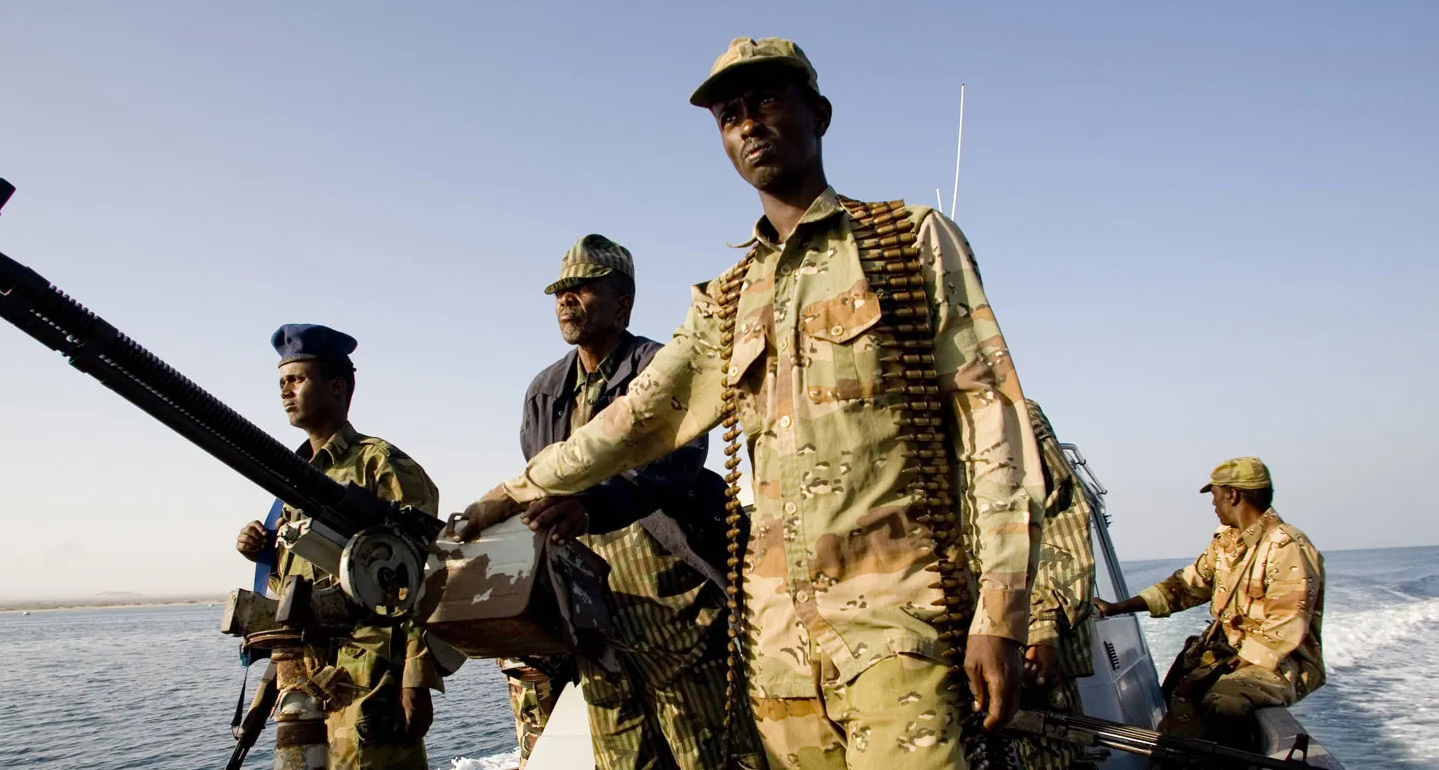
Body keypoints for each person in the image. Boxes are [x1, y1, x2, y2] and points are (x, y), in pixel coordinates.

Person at [455, 37, 1045, 770]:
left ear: (818, 114)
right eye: (730, 114)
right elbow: (633, 420)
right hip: (779, 656)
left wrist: (1002, 611)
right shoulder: (726, 300)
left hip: (901, 628)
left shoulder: (908, 242)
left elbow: (992, 423)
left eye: (767, 101)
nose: (748, 124)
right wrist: (505, 496)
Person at [503, 233, 738, 770]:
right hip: (595, 610)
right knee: (622, 757)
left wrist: (591, 504)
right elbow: (540, 479)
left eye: (583, 289)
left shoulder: (660, 365)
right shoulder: (544, 390)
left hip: (672, 599)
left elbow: (677, 461)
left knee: (707, 752)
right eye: (561, 292)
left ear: (623, 302)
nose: (566, 300)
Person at [235, 324, 444, 770]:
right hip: (303, 672)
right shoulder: (292, 477)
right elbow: (298, 581)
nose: (285, 392)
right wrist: (264, 554)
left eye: (297, 379)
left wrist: (416, 679)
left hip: (367, 672)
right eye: (281, 383)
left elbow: (425, 574)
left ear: (337, 386)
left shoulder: (380, 464)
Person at [1093, 457, 1325, 745]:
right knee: (1178, 688)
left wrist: (1228, 667)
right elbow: (1186, 586)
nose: (1213, 504)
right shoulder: (1226, 541)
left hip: (1279, 661)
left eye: (1215, 496)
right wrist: (1118, 607)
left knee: (1221, 700)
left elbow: (1287, 624)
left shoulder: (1285, 545)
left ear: (1233, 494)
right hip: (1234, 654)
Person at [1015, 402, 1097, 770]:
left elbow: (1059, 523)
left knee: (1048, 752)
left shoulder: (1013, 414)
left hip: (1018, 637)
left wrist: (1042, 631)